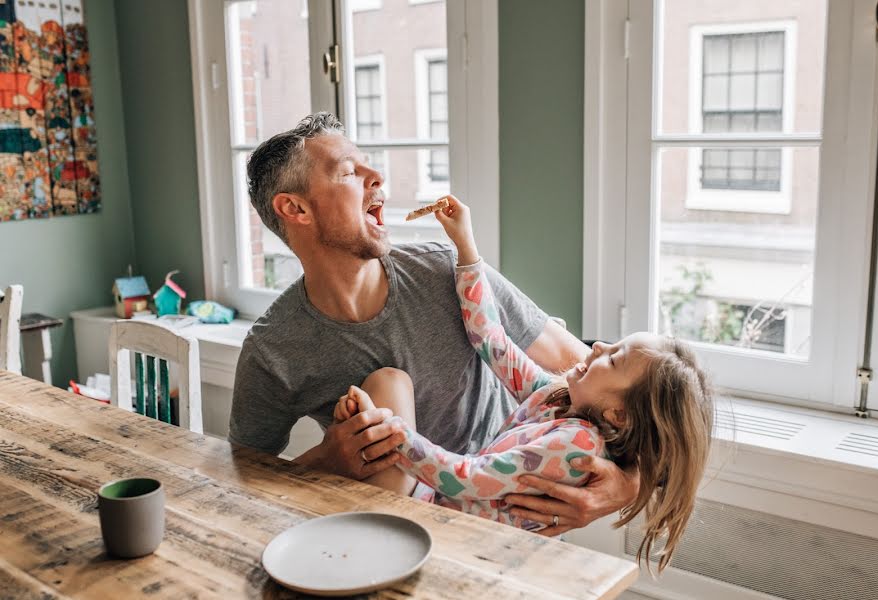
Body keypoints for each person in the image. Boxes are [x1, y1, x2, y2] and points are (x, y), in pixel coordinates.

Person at [229, 112, 638, 535]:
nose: (377, 177)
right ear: (294, 208)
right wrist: (328, 459)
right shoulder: (273, 348)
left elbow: (605, 386)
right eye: (350, 171)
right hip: (395, 528)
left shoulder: (446, 271)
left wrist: (630, 484)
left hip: (502, 526)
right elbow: (241, 475)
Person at [333, 195, 714, 570]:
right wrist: (466, 249)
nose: (597, 346)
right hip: (441, 507)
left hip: (461, 544)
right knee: (386, 386)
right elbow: (490, 340)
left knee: (382, 406)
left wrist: (393, 434)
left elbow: (465, 479)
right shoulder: (559, 397)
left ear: (618, 413)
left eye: (614, 357)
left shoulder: (578, 444)